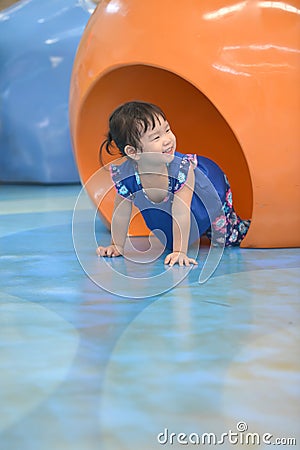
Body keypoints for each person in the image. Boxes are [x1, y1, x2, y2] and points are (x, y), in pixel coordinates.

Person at [96, 101, 250, 266]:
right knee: (169, 241)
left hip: (209, 195)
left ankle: (250, 226)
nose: (167, 140)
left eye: (167, 130)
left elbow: (181, 211)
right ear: (133, 152)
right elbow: (121, 213)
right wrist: (117, 245)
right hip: (168, 207)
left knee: (228, 237)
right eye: (156, 137)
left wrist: (180, 251)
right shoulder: (127, 176)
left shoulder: (182, 169)